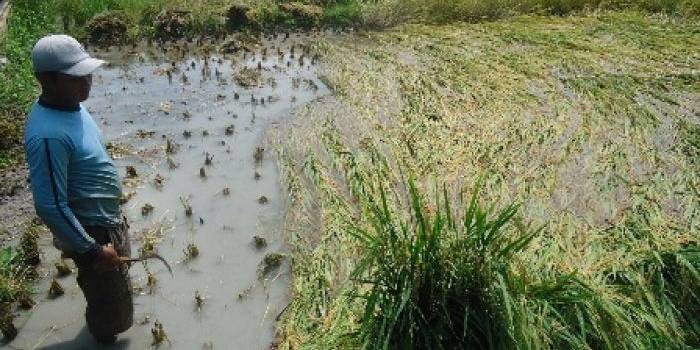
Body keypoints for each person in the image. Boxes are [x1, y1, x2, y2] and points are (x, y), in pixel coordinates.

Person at [24, 34, 133, 345]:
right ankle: (103, 337)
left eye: (87, 73)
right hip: (91, 233)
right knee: (110, 308)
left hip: (107, 222)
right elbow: (49, 205)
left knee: (115, 288)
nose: (87, 82)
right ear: (47, 79)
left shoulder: (71, 105)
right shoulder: (47, 136)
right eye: (75, 77)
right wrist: (94, 250)